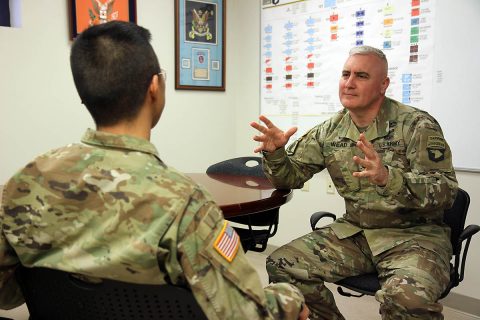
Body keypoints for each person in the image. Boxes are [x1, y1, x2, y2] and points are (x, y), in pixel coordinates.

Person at [0, 21, 309, 320]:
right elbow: (247, 314)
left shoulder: (24, 182)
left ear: (85, 94)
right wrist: (291, 299)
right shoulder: (186, 205)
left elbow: (7, 294)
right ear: (154, 87)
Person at [251, 45, 457, 320]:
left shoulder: (416, 125)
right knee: (284, 264)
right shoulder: (330, 130)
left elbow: (446, 191)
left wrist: (388, 177)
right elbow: (290, 177)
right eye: (345, 74)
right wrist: (276, 154)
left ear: (383, 84)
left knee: (407, 301)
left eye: (361, 76)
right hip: (356, 233)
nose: (349, 83)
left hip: (414, 237)